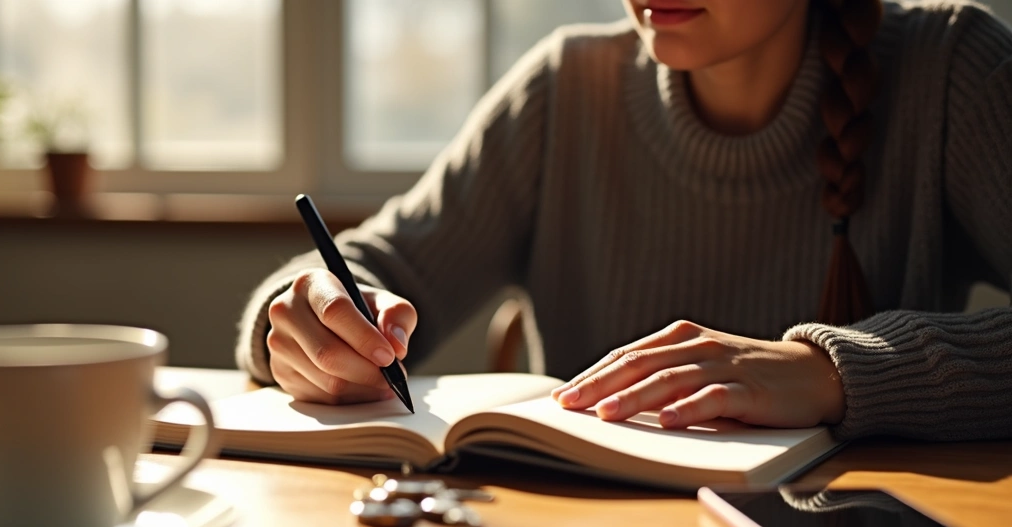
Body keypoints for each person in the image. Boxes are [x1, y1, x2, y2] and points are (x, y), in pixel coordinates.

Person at [236, 0, 1012, 441]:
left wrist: (836, 373)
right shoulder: (565, 89)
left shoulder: (953, 74)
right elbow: (377, 266)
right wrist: (314, 322)